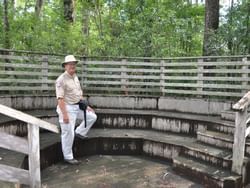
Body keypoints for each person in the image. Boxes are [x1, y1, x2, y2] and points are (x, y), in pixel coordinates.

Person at [55, 55, 97, 165]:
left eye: (74, 64)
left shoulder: (75, 77)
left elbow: (78, 94)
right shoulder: (61, 80)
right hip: (66, 107)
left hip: (77, 106)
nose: (72, 66)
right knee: (68, 133)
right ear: (65, 66)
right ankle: (68, 157)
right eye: (70, 64)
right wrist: (64, 115)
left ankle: (80, 132)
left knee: (92, 116)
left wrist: (86, 106)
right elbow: (60, 99)